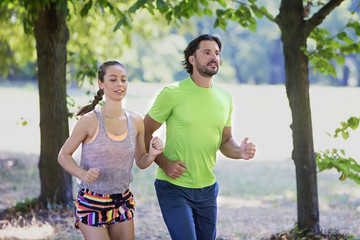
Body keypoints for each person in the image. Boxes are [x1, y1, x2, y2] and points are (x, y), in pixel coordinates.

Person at [143, 34, 256, 240]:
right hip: (174, 187)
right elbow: (144, 130)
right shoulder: (172, 93)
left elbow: (224, 140)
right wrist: (164, 163)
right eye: (207, 52)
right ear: (192, 59)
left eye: (217, 53)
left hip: (207, 189)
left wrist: (239, 151)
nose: (214, 57)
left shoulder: (225, 98)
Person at [58, 61, 164, 240]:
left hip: (121, 201)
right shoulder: (90, 120)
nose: (120, 84)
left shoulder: (136, 121)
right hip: (91, 202)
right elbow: (63, 155)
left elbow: (141, 161)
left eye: (123, 80)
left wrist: (152, 154)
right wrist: (82, 174)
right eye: (113, 80)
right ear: (101, 83)